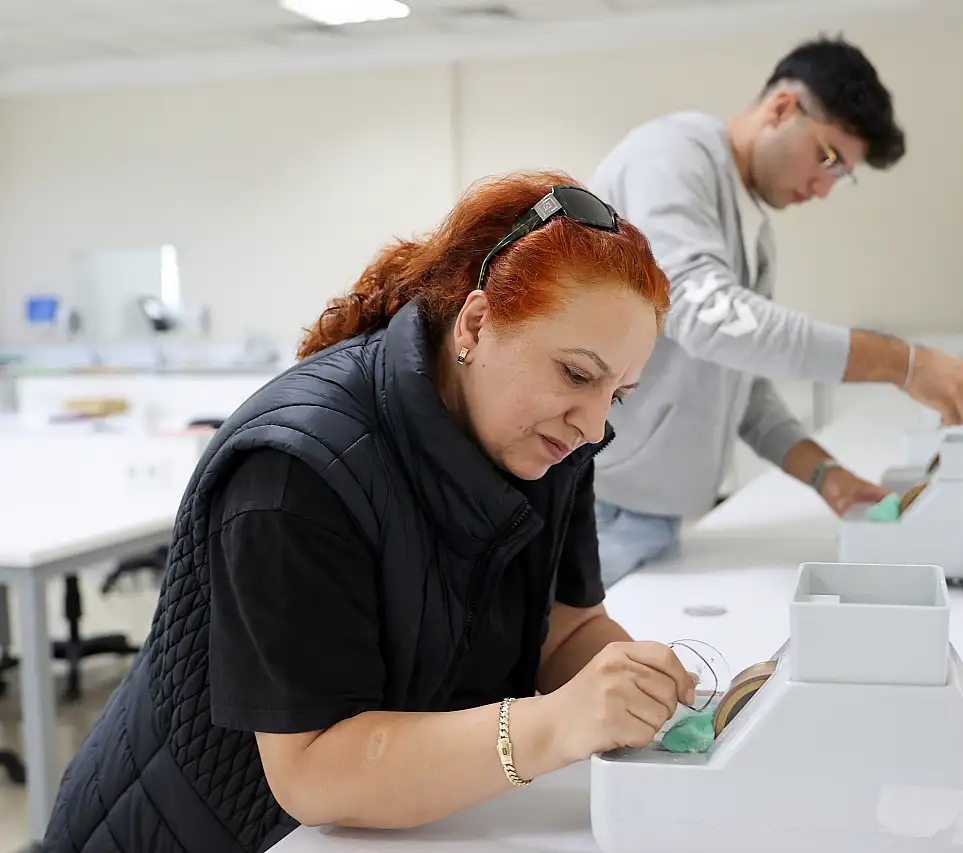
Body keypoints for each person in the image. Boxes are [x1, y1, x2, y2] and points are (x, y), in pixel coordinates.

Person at [44, 172, 697, 853]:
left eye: (616, 394)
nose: (592, 425)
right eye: (576, 374)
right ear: (476, 323)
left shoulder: (548, 444)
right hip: (196, 833)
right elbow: (315, 771)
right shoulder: (298, 469)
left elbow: (566, 632)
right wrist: (553, 726)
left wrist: (640, 691)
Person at [588, 35, 963, 585]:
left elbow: (744, 390)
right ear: (782, 108)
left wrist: (825, 475)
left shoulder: (754, 233)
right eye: (827, 158)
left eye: (841, 175)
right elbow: (706, 315)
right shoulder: (670, 157)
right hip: (593, 508)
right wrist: (902, 363)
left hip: (648, 515)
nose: (824, 187)